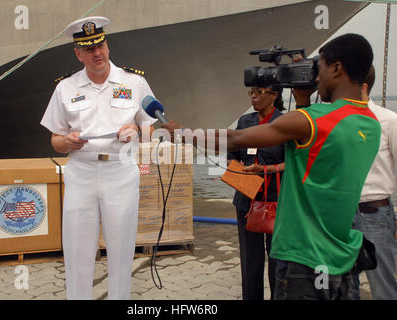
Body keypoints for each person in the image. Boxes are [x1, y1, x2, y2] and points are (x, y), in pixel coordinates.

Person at [162, 33, 381, 300]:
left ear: (337, 68)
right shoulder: (371, 124)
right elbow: (316, 153)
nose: (315, 77)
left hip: (303, 258)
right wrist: (302, 100)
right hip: (342, 258)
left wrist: (183, 133)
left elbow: (236, 138)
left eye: (319, 68)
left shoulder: (310, 121)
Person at [40, 16, 157, 300]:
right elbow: (55, 138)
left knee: (121, 248)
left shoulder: (134, 81)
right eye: (89, 49)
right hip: (81, 172)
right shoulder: (65, 88)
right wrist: (66, 142)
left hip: (120, 171)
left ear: (107, 45)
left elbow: (150, 125)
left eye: (101, 45)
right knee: (78, 250)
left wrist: (137, 131)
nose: (98, 53)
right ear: (78, 53)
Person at [227, 85, 285, 300]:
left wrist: (266, 170)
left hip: (276, 199)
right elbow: (231, 152)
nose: (253, 96)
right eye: (251, 92)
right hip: (246, 199)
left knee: (277, 257)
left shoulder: (284, 123)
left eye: (259, 92)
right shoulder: (245, 122)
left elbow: (293, 163)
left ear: (274, 95)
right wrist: (235, 170)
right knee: (250, 258)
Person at [350, 65, 397, 300]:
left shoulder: (389, 121)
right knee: (345, 286)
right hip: (342, 215)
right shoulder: (337, 123)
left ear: (363, 86)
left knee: (382, 287)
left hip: (376, 214)